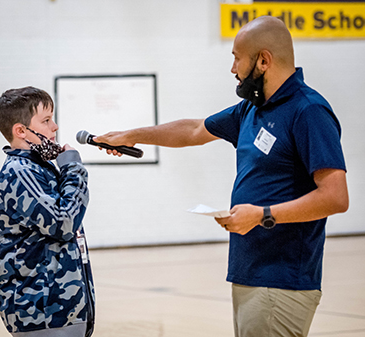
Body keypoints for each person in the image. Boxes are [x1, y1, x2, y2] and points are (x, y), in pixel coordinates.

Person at [92, 16, 349, 337]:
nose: (233, 69)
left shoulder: (308, 111)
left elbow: (335, 197)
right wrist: (131, 135)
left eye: (237, 58)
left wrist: (262, 215)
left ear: (264, 60)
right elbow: (195, 129)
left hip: (282, 278)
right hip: (250, 271)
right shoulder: (253, 109)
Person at [0, 87, 95, 337]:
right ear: (20, 131)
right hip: (41, 309)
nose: (55, 127)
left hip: (59, 308)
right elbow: (64, 223)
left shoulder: (40, 169)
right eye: (47, 121)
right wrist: (73, 170)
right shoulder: (20, 171)